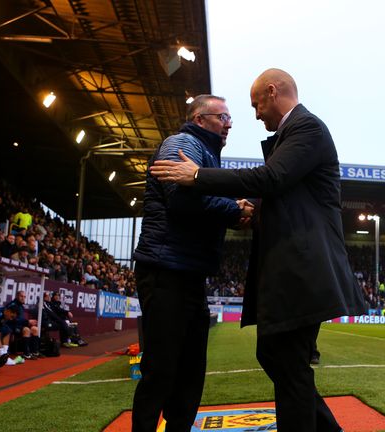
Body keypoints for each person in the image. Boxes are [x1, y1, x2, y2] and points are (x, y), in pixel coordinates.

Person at [150, 69, 366, 431]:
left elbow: (273, 178)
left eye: (256, 105)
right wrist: (247, 207)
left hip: (305, 269)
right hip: (291, 269)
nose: (254, 115)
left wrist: (199, 177)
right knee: (276, 356)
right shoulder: (290, 135)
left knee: (288, 362)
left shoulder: (307, 127)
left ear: (272, 91)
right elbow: (282, 190)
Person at [131, 94, 253, 432]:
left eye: (230, 119)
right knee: (162, 368)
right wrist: (234, 209)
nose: (229, 124)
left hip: (189, 273)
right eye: (223, 117)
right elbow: (181, 198)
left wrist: (232, 207)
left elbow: (201, 198)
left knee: (190, 370)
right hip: (165, 269)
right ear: (200, 119)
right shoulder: (181, 143)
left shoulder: (207, 157)